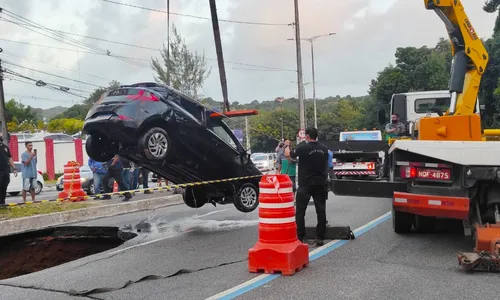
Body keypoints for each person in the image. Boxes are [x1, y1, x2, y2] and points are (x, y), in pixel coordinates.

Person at [290, 127, 329, 247]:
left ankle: (301, 237)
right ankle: (320, 237)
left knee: (300, 212)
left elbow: (290, 156)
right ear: (316, 136)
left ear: (307, 136)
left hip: (305, 184)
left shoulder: (302, 148)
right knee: (321, 211)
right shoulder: (324, 149)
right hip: (320, 183)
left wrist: (286, 145)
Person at [0, 132, 17, 205]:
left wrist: (14, 168)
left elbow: (9, 158)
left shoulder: (5, 147)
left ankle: (2, 203)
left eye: (1, 136)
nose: (1, 137)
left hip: (6, 171)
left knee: (4, 187)